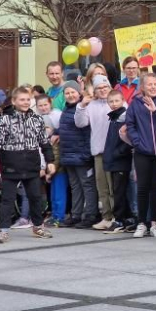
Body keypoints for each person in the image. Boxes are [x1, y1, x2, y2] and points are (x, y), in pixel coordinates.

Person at [0, 86, 55, 242]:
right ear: (14, 101)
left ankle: (38, 227)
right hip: (10, 165)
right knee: (7, 200)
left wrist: (50, 161)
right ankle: (3, 231)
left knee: (35, 197)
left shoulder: (36, 119)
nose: (25, 102)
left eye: (28, 99)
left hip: (31, 165)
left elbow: (45, 142)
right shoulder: (3, 120)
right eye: (22, 99)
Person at [126, 73, 156, 239]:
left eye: (155, 84)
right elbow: (130, 125)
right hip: (142, 152)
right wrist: (138, 143)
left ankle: (155, 223)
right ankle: (141, 222)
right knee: (142, 188)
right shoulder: (135, 104)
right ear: (142, 87)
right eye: (149, 84)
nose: (153, 87)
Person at [75, 75, 117, 230]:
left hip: (115, 152)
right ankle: (106, 216)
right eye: (99, 88)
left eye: (105, 87)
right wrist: (82, 106)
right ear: (95, 90)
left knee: (114, 187)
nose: (103, 90)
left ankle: (116, 216)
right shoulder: (91, 105)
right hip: (98, 151)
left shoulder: (116, 102)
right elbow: (80, 123)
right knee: (102, 187)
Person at [59, 81, 99, 228]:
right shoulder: (66, 109)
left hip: (82, 156)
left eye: (73, 92)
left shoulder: (84, 108)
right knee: (75, 186)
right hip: (69, 156)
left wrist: (86, 154)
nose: (70, 95)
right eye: (67, 93)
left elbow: (88, 133)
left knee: (87, 185)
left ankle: (91, 214)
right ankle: (76, 214)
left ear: (79, 92)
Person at [103, 89, 134, 231]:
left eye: (117, 101)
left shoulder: (124, 117)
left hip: (121, 160)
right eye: (111, 101)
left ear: (122, 101)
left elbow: (128, 141)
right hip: (113, 160)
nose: (114, 104)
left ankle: (119, 219)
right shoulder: (113, 117)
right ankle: (127, 218)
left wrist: (117, 153)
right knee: (118, 190)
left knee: (119, 191)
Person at [36, 95, 66, 227]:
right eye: (40, 106)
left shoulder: (55, 138)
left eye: (45, 105)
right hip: (50, 167)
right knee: (53, 193)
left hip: (58, 168)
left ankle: (59, 216)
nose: (43, 108)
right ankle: (54, 214)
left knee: (59, 192)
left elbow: (56, 155)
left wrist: (50, 171)